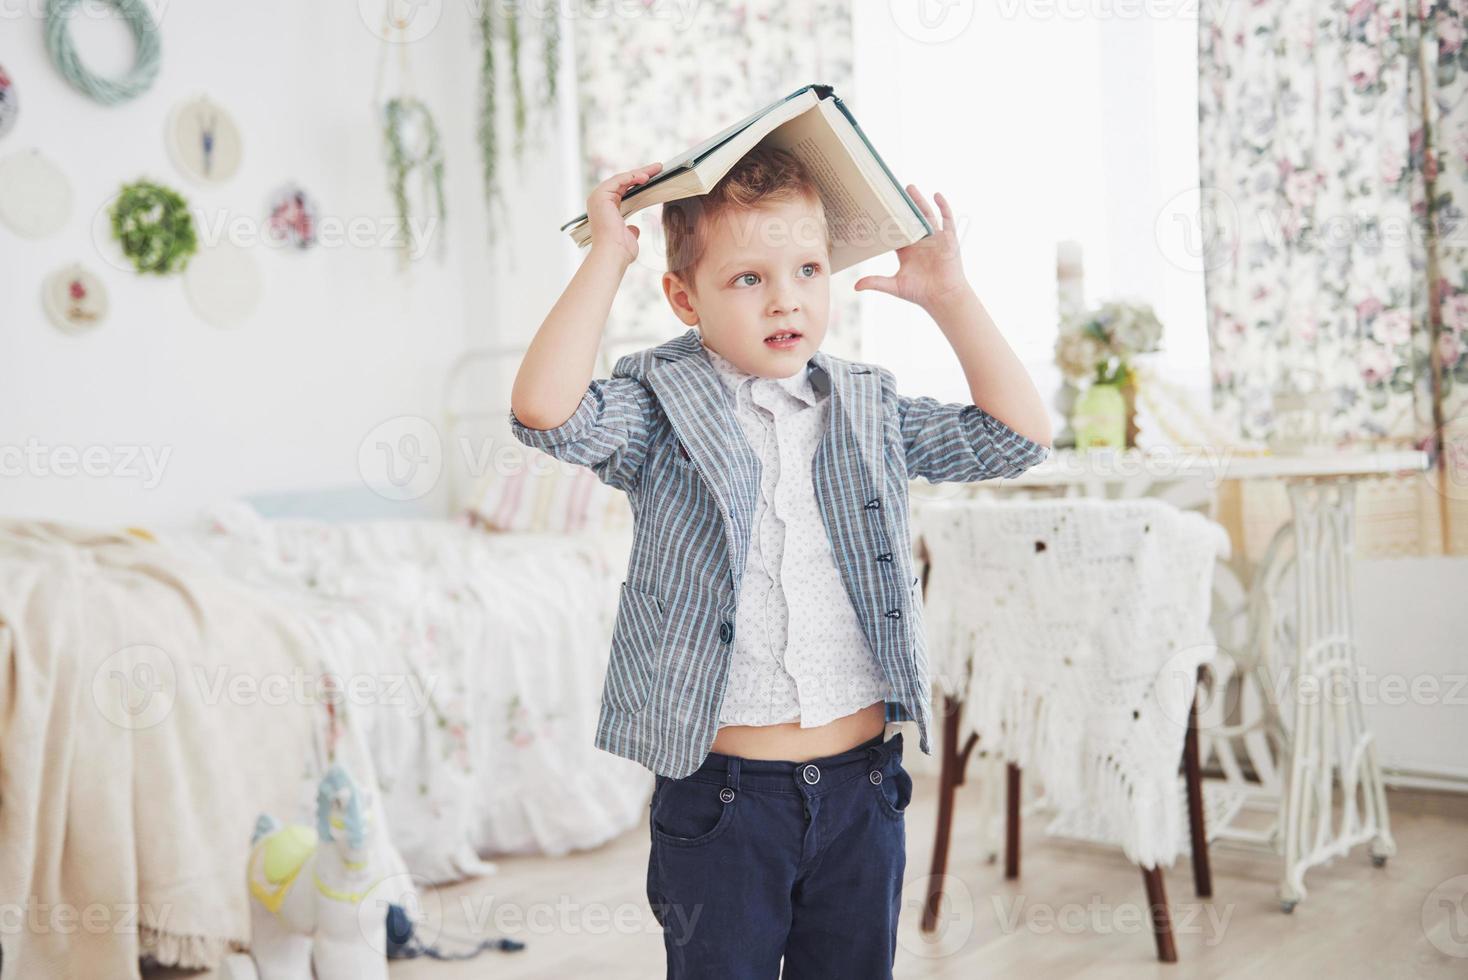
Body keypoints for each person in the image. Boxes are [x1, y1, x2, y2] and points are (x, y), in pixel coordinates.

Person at [509, 144, 1052, 977]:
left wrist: (949, 294)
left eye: (807, 268)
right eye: (748, 279)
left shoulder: (866, 403)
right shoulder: (658, 404)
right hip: (723, 802)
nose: (786, 299)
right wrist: (609, 254)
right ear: (684, 297)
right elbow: (547, 411)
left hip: (862, 792)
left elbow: (1014, 437)